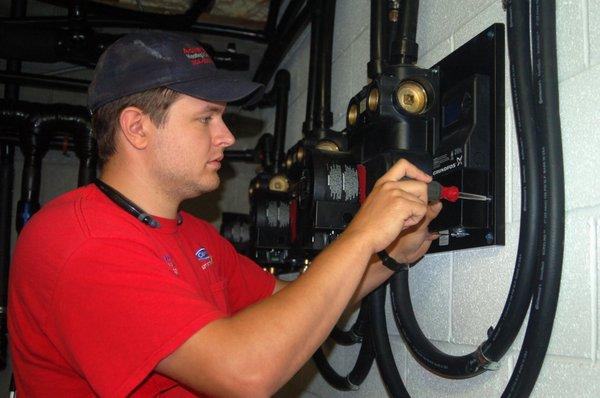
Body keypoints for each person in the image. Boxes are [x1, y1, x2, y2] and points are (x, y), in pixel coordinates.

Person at [8, 31, 441, 397]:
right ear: (137, 127)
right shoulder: (82, 243)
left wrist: (389, 256)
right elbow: (245, 373)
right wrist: (361, 235)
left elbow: (291, 301)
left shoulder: (191, 234)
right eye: (206, 118)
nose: (228, 136)